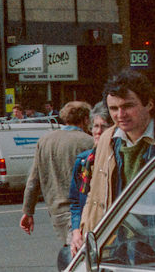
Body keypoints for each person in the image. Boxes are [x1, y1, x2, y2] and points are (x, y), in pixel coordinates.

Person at [75, 68, 155, 253]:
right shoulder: (108, 140)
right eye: (114, 108)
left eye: (128, 106)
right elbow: (95, 194)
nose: (120, 114)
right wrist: (84, 232)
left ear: (149, 104)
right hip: (117, 247)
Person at [19, 101, 94, 248]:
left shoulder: (45, 140)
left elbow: (33, 180)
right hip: (81, 211)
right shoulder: (88, 142)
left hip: (56, 211)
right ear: (86, 119)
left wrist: (28, 211)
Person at [66, 103, 112, 255]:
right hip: (90, 233)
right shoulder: (84, 161)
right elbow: (75, 201)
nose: (98, 132)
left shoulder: (117, 159)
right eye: (95, 126)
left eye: (103, 127)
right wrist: (76, 230)